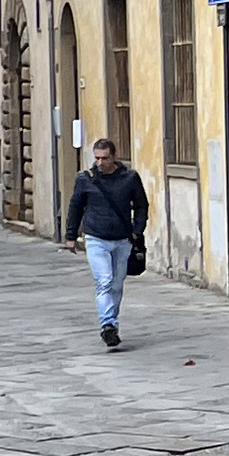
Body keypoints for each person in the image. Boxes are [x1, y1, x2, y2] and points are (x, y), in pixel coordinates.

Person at [64, 137, 150, 349]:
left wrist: (138, 230)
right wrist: (71, 236)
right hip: (96, 238)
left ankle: (112, 325)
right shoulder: (86, 179)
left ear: (114, 157)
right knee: (104, 281)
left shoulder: (130, 178)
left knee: (117, 285)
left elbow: (141, 205)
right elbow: (75, 207)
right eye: (97, 158)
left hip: (123, 240)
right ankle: (107, 324)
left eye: (105, 158)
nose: (100, 163)